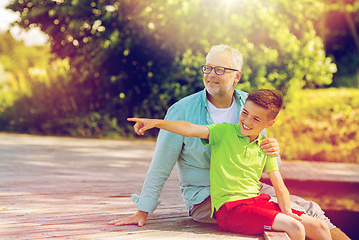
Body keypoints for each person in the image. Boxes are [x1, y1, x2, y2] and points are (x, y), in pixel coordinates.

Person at [108, 44, 349, 239]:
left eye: (219, 69)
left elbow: (263, 152)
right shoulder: (181, 110)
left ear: (237, 76)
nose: (211, 75)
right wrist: (143, 211)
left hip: (248, 191)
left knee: (312, 210)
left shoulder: (251, 105)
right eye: (208, 68)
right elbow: (160, 166)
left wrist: (275, 149)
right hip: (209, 200)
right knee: (295, 221)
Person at [126, 89, 332, 239]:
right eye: (245, 113)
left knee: (320, 228)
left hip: (256, 201)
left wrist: (286, 211)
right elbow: (189, 128)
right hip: (230, 209)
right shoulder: (224, 132)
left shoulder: (265, 146)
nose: (247, 122)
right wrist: (157, 122)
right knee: (294, 228)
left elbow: (280, 187)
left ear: (269, 124)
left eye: (256, 119)